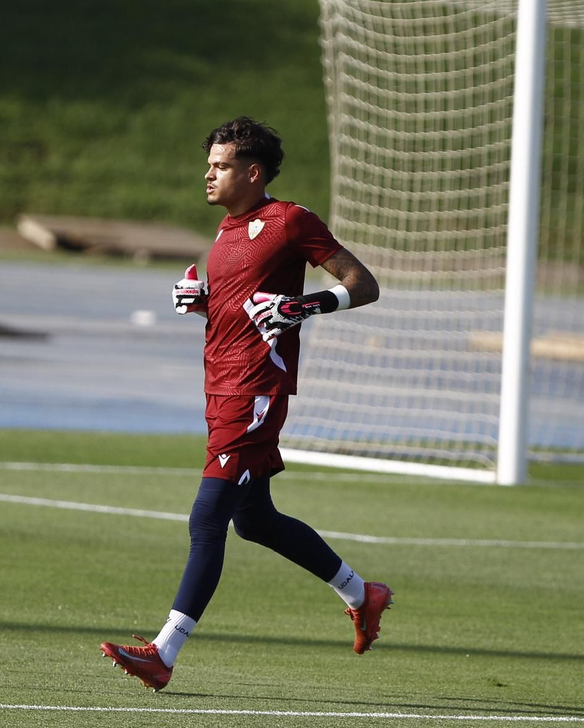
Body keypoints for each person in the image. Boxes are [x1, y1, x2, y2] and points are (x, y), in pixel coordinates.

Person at [100, 116, 390, 692]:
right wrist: (205, 305)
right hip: (220, 386)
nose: (208, 174)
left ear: (253, 172)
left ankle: (163, 652)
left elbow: (363, 284)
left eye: (221, 165)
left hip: (255, 389)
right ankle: (362, 593)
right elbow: (246, 309)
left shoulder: (290, 221)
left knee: (207, 518)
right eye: (208, 164)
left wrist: (302, 307)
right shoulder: (228, 231)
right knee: (254, 519)